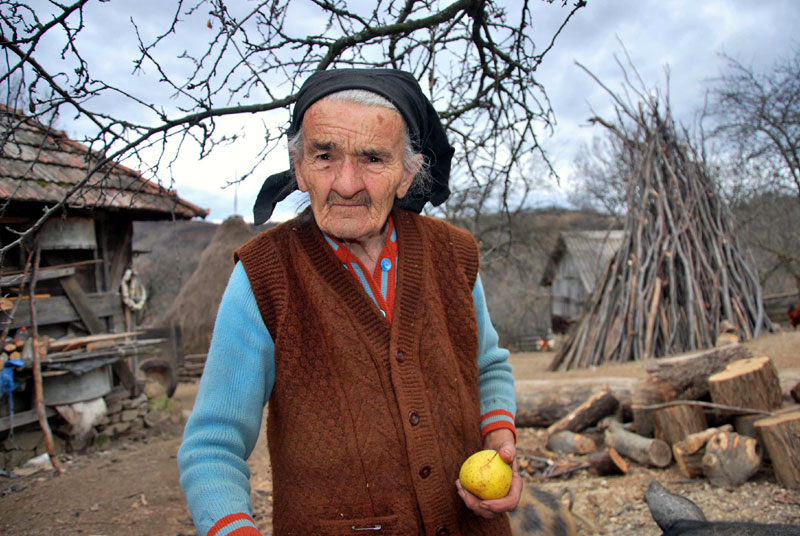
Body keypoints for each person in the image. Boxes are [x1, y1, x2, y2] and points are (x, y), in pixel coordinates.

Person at [178, 69, 521, 536]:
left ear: (408, 173)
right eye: (324, 156)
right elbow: (212, 447)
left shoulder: (452, 255)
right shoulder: (264, 275)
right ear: (299, 168)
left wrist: (500, 443)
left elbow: (488, 367)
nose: (345, 183)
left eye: (373, 158)